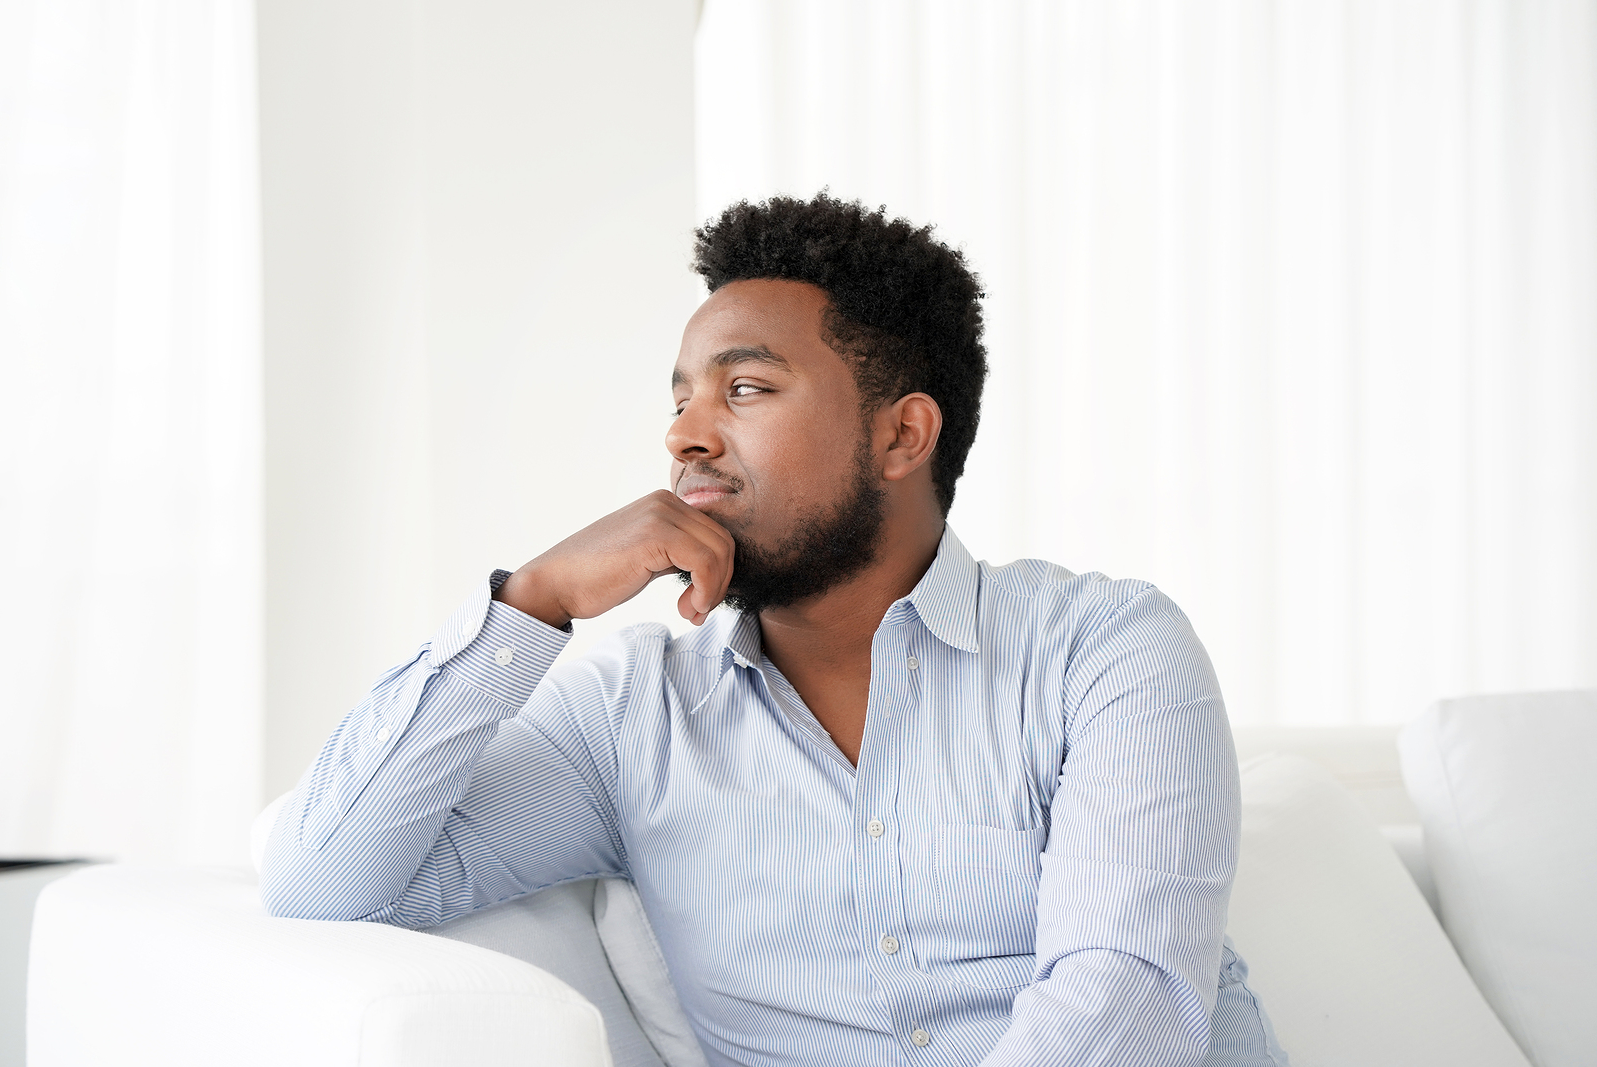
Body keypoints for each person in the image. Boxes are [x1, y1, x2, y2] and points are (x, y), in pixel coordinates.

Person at [261, 193, 1288, 1067]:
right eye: (681, 398)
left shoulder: (1102, 651)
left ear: (900, 434)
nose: (684, 434)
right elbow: (320, 879)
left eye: (744, 388)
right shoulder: (634, 716)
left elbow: (1125, 1005)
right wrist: (529, 602)